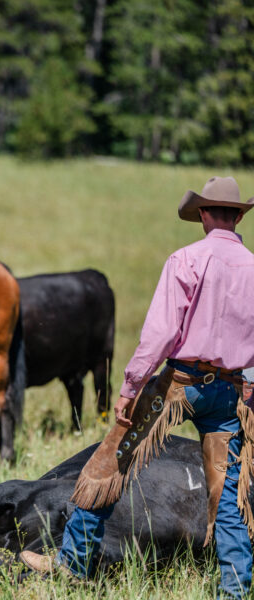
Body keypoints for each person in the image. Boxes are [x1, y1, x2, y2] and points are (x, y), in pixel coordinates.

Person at [20, 176, 254, 598]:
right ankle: (234, 591)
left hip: (180, 383)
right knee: (229, 493)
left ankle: (73, 562)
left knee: (110, 461)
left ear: (202, 215)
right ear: (238, 217)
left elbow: (160, 335)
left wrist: (130, 387)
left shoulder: (185, 260)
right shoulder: (253, 267)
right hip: (231, 393)